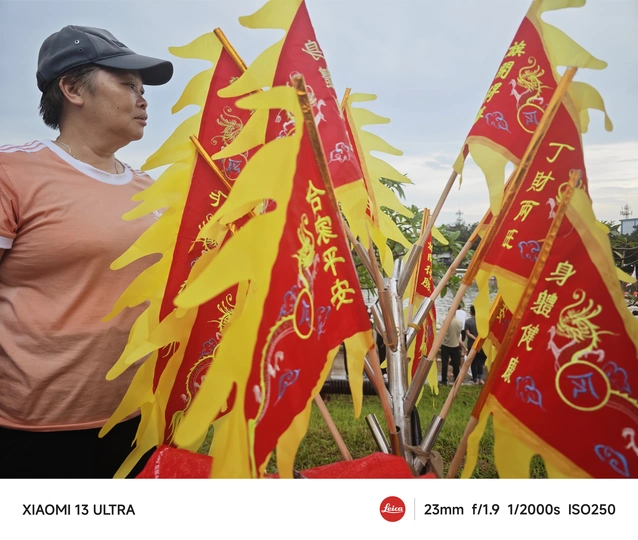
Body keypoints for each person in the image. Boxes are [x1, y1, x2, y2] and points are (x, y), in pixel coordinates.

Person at [0, 25, 173, 478]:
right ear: (72, 89)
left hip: (135, 418)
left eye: (143, 90)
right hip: (30, 430)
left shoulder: (151, 189)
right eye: (128, 85)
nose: (143, 100)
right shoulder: (12, 172)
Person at [440, 315, 467, 386]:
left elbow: (442, 332)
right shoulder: (459, 322)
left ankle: (444, 380)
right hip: (455, 345)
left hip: (446, 344)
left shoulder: (446, 321)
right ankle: (456, 379)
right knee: (456, 364)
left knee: (444, 363)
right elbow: (459, 333)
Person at [465, 305, 487, 385]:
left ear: (471, 312)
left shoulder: (468, 321)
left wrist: (474, 338)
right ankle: (481, 378)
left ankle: (475, 379)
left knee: (473, 362)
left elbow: (467, 333)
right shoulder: (482, 321)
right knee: (480, 361)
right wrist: (479, 339)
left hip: (472, 344)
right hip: (481, 344)